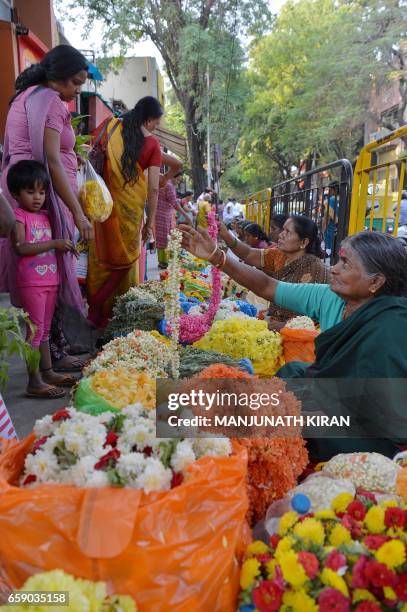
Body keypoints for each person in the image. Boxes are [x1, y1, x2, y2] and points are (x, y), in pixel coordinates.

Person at [180, 226, 407, 456]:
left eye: (345, 264)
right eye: (338, 261)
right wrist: (216, 256)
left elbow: (384, 411)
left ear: (375, 282)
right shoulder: (332, 297)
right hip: (334, 398)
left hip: (369, 433)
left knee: (286, 404)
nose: (334, 270)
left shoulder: (390, 327)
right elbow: (268, 286)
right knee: (292, 373)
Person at [0, 44, 93, 372]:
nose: (76, 91)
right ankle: (51, 356)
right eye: (75, 83)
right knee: (49, 277)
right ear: (59, 78)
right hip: (42, 197)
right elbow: (52, 160)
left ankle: (50, 356)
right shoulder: (51, 101)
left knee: (38, 278)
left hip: (24, 193)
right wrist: (78, 213)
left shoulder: (25, 96)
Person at [87, 97, 179, 328]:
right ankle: (112, 312)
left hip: (103, 207)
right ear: (149, 120)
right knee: (125, 260)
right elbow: (153, 189)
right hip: (130, 214)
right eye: (156, 123)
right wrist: (149, 225)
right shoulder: (153, 146)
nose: (156, 127)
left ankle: (95, 310)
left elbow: (89, 149)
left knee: (102, 257)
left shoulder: (111, 126)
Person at [7, 160, 79, 398]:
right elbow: (21, 248)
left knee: (45, 331)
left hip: (50, 280)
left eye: (41, 191)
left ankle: (47, 372)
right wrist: (55, 244)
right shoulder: (18, 216)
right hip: (31, 283)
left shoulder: (48, 215)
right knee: (34, 332)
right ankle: (34, 381)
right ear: (15, 193)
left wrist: (66, 245)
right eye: (30, 192)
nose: (37, 197)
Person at [219, 215, 329, 329]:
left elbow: (318, 316)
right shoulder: (279, 255)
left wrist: (284, 326)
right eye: (282, 230)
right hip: (271, 324)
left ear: (304, 242)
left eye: (288, 232)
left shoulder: (318, 271)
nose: (281, 234)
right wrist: (226, 235)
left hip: (296, 336)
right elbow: (248, 254)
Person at [155, 170, 184, 269]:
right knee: (167, 238)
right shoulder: (169, 185)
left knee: (160, 238)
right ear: (173, 177)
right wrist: (185, 215)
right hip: (165, 215)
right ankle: (165, 261)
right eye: (178, 180)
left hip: (158, 213)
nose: (178, 182)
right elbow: (174, 203)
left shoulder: (162, 182)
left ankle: (161, 261)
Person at [322, 181, 339, 253]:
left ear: (333, 189)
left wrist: (323, 230)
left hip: (331, 231)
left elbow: (327, 218)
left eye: (330, 189)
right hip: (342, 231)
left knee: (330, 252)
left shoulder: (330, 200)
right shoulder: (347, 198)